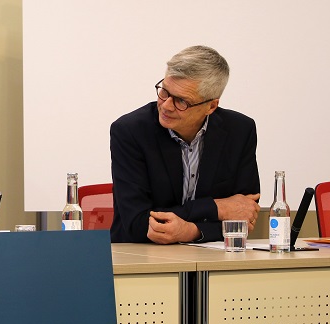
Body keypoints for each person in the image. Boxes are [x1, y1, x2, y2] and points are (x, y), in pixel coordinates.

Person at [110, 45, 260, 244]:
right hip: (139, 253)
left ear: (211, 106)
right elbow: (138, 222)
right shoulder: (130, 131)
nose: (166, 105)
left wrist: (191, 231)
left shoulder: (240, 131)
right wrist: (216, 208)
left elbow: (245, 217)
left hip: (211, 256)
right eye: (164, 91)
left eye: (181, 101)